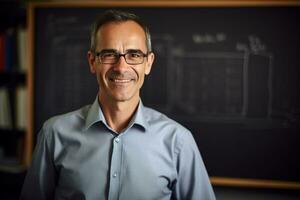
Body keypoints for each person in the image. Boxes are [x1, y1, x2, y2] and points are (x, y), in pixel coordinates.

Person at [20, 10, 215, 200]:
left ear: (148, 63)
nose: (121, 67)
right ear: (92, 62)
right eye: (109, 54)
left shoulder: (178, 142)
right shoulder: (54, 134)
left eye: (134, 55)